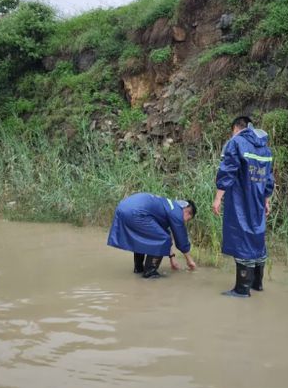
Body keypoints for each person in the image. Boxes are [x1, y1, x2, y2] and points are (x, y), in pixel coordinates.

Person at [212, 116, 274, 297]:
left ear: (236, 128)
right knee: (256, 237)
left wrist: (218, 198)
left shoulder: (236, 142)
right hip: (258, 200)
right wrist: (267, 200)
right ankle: (257, 284)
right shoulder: (265, 148)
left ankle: (242, 289)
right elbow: (269, 177)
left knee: (241, 237)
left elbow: (228, 170)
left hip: (240, 199)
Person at [107, 192, 197, 278]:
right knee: (162, 239)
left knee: (143, 237)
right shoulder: (177, 212)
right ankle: (150, 272)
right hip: (136, 212)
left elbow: (165, 234)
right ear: (188, 212)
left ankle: (138, 269)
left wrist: (172, 258)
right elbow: (181, 240)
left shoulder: (168, 205)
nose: (185, 222)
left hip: (123, 207)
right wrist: (189, 260)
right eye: (188, 219)